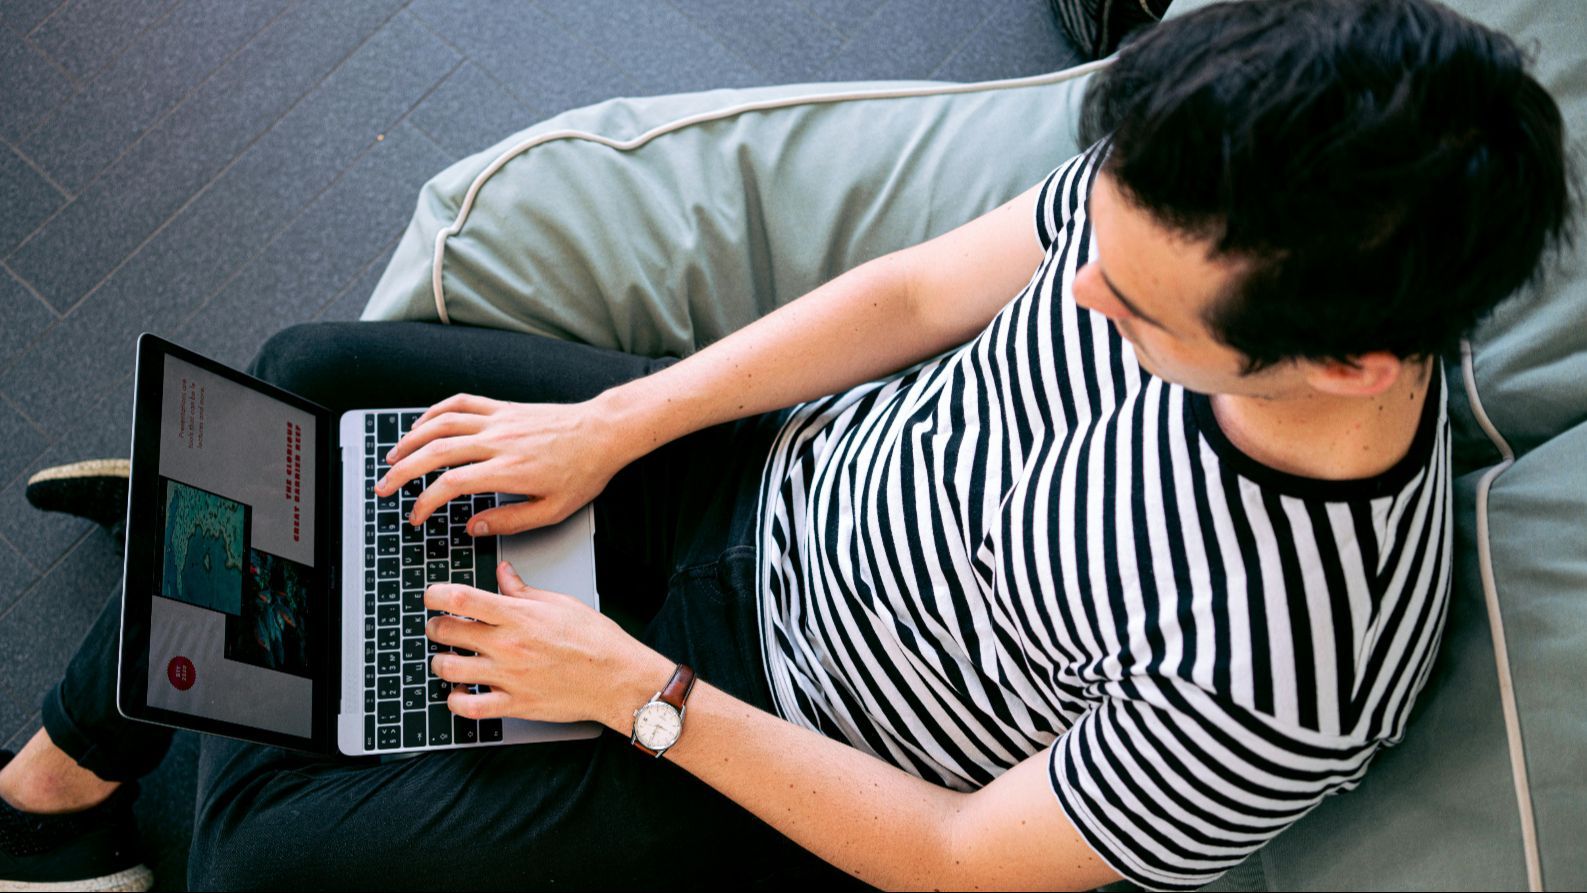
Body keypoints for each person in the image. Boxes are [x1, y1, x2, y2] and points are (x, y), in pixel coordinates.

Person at [0, 0, 1572, 889]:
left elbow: (955, 853)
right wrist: (621, 418)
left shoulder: (1277, 680)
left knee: (257, 869)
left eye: (1141, 309)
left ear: (1358, 358)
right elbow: (906, 289)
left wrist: (632, 689)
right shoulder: (1200, 189)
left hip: (765, 724)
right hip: (763, 468)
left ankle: (119, 708)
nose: (1081, 292)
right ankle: (174, 652)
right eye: (1093, 238)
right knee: (311, 373)